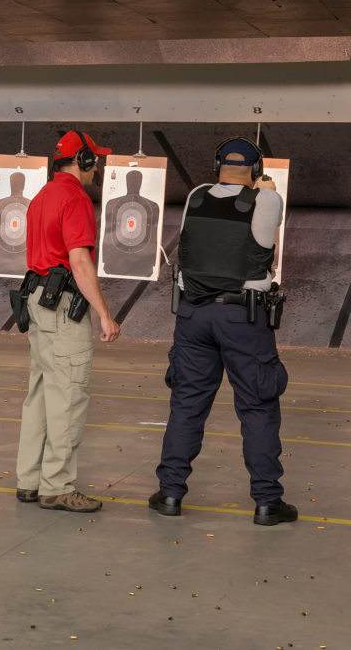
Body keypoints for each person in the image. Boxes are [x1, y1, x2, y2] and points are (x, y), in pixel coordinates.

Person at [149, 137, 296, 527]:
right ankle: (267, 502)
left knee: (187, 404)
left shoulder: (197, 196)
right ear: (257, 168)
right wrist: (265, 190)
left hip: (193, 316)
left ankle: (169, 493)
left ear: (217, 165)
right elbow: (268, 242)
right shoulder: (266, 200)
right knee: (258, 406)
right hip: (242, 319)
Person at [15, 131, 120, 512]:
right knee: (68, 396)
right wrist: (105, 314)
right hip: (62, 309)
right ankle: (57, 485)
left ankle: (30, 480)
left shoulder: (41, 196)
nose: (100, 166)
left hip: (37, 302)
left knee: (41, 393)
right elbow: (78, 261)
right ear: (83, 160)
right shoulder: (75, 198)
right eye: (96, 159)